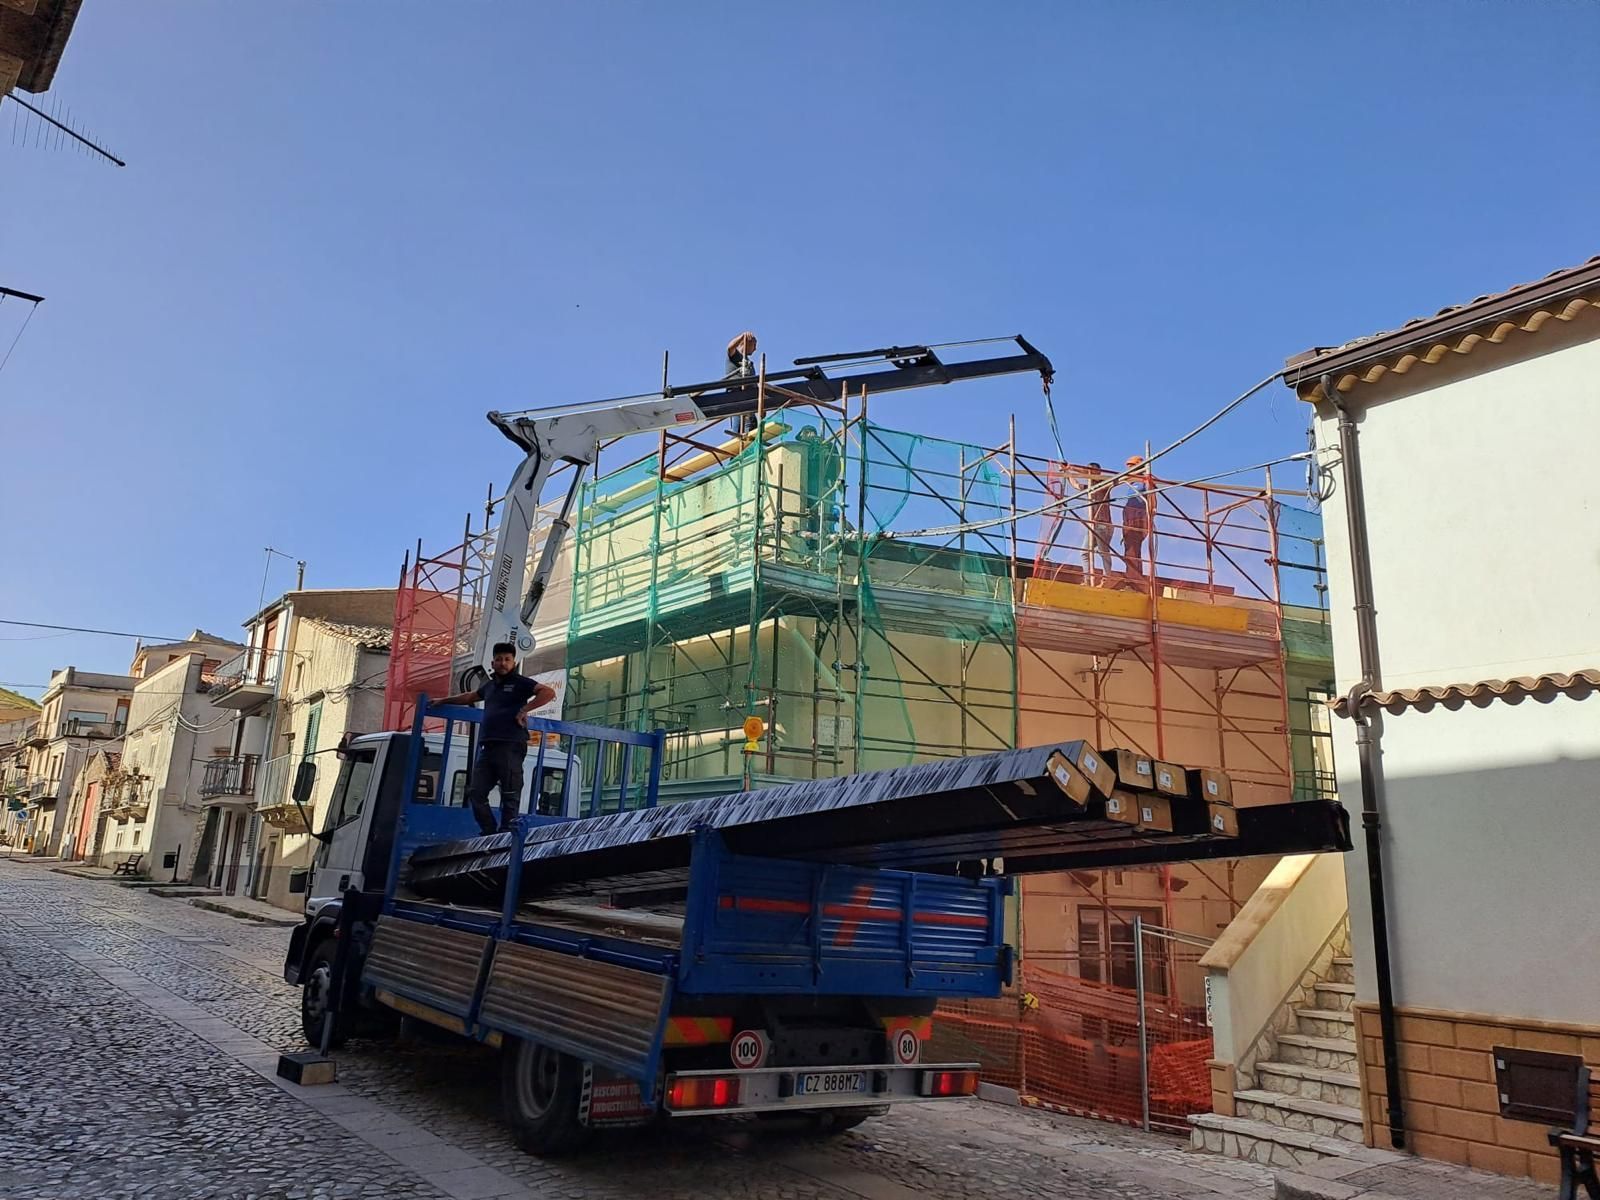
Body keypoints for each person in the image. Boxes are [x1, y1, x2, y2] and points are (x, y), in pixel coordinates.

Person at [433, 644, 556, 835]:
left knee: (510, 792)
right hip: (488, 746)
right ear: (492, 663)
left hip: (510, 743)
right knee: (476, 792)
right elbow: (470, 697)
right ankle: (489, 832)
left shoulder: (520, 682)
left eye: (507, 659)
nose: (503, 663)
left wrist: (524, 710)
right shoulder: (490, 686)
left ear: (514, 662)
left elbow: (548, 692)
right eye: (499, 659)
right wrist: (443, 701)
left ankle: (506, 835)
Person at [1075, 462, 1116, 581]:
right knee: (1085, 552)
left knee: (1103, 552)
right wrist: (1067, 474)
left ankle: (1107, 579)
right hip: (1094, 525)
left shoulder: (1104, 483)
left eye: (1092, 470)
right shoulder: (1090, 486)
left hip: (1102, 524)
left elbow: (1090, 475)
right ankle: (1088, 579)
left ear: (1098, 472)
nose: (1089, 472)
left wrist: (1071, 468)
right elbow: (1076, 485)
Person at [1120, 457, 1151, 577]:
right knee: (1129, 548)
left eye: (1131, 466)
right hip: (1129, 520)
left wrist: (1151, 514)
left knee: (1133, 549)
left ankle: (1134, 578)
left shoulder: (1145, 480)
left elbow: (1152, 497)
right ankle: (1133, 576)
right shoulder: (1131, 482)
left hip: (1139, 519)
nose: (1129, 469)